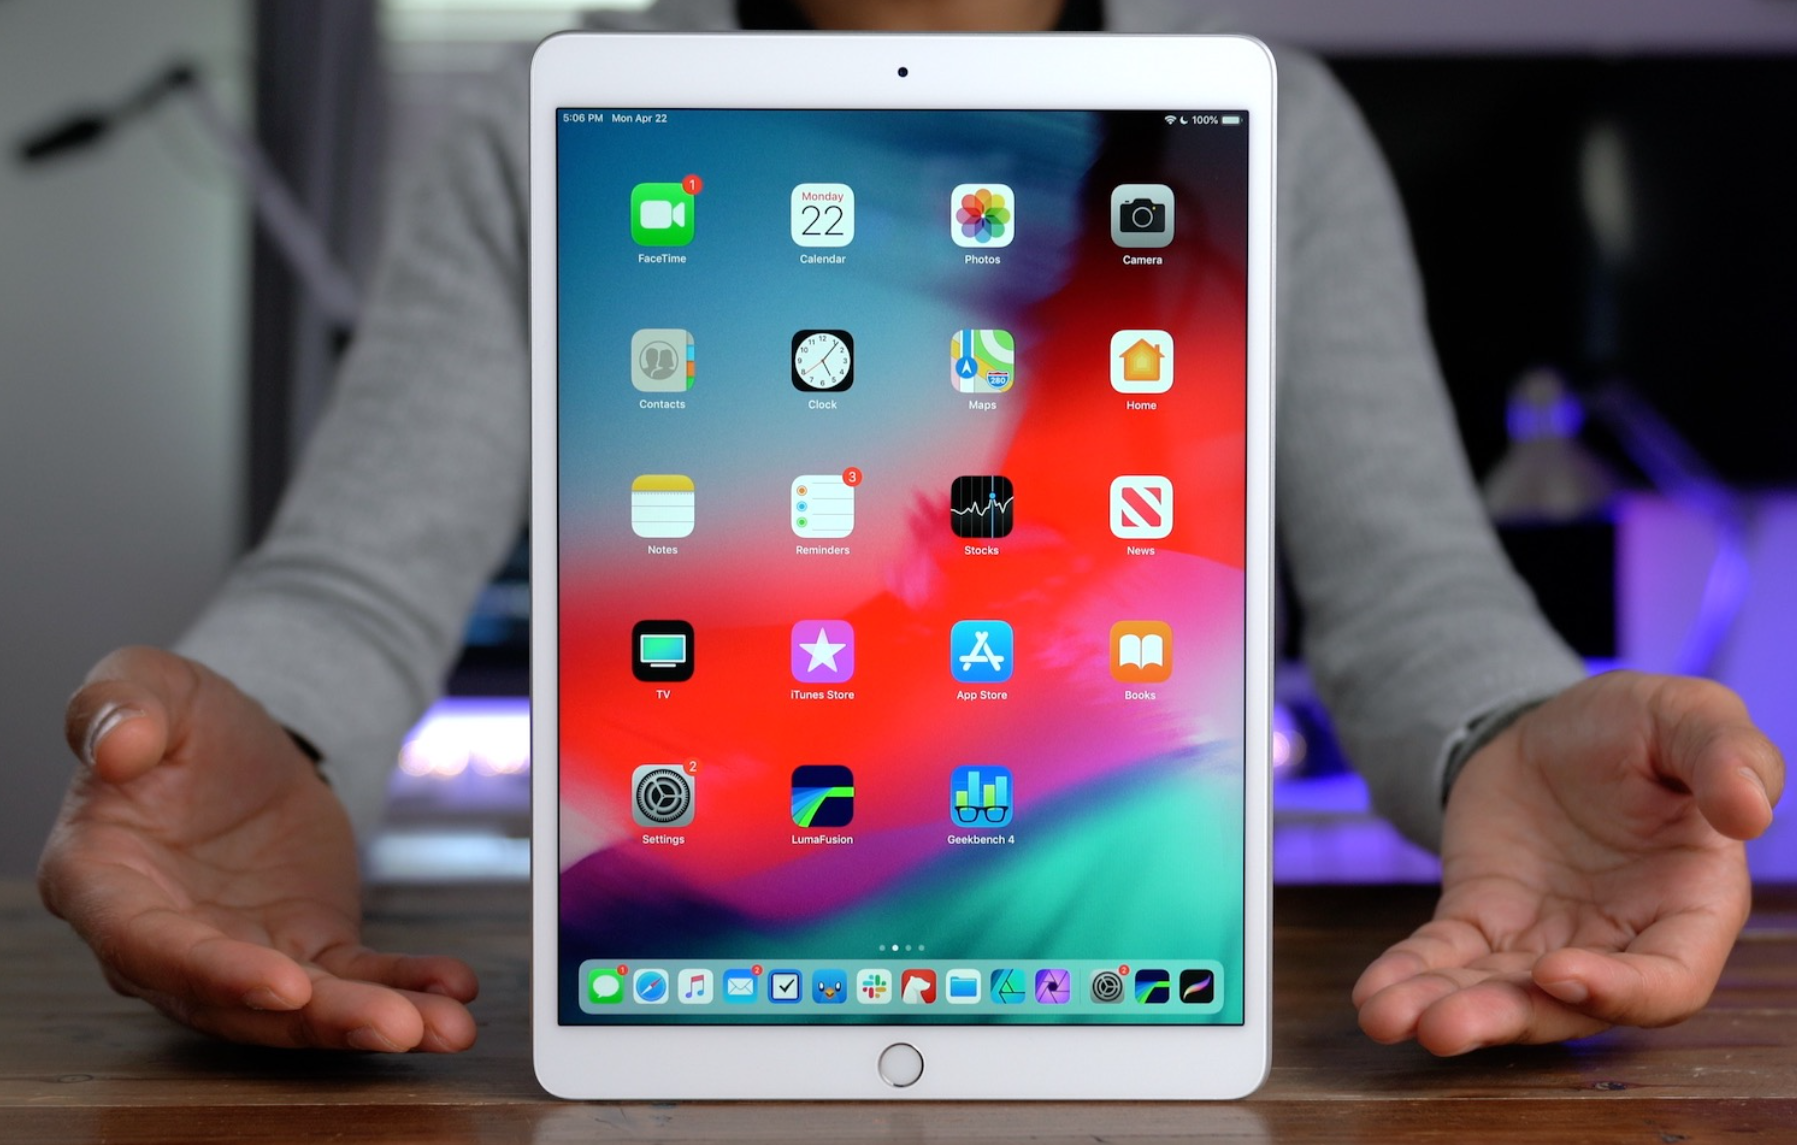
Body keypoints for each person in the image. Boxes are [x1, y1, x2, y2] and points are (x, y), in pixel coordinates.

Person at [40, 0, 1783, 1058]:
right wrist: (263, 729)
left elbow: (1410, 578)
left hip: (1107, 983)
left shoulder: (1270, 124)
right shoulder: (551, 113)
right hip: (694, 993)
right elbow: (354, 571)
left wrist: (1512, 723)